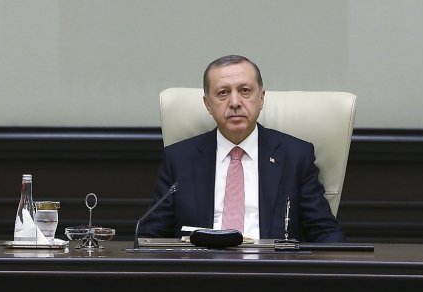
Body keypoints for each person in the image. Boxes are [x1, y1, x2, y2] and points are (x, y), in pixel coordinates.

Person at [139, 55, 345, 242]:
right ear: (208, 104)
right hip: (201, 273)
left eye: (245, 91)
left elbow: (324, 231)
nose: (235, 102)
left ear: (261, 98)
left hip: (272, 272)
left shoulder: (295, 156)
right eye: (223, 93)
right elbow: (150, 236)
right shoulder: (179, 159)